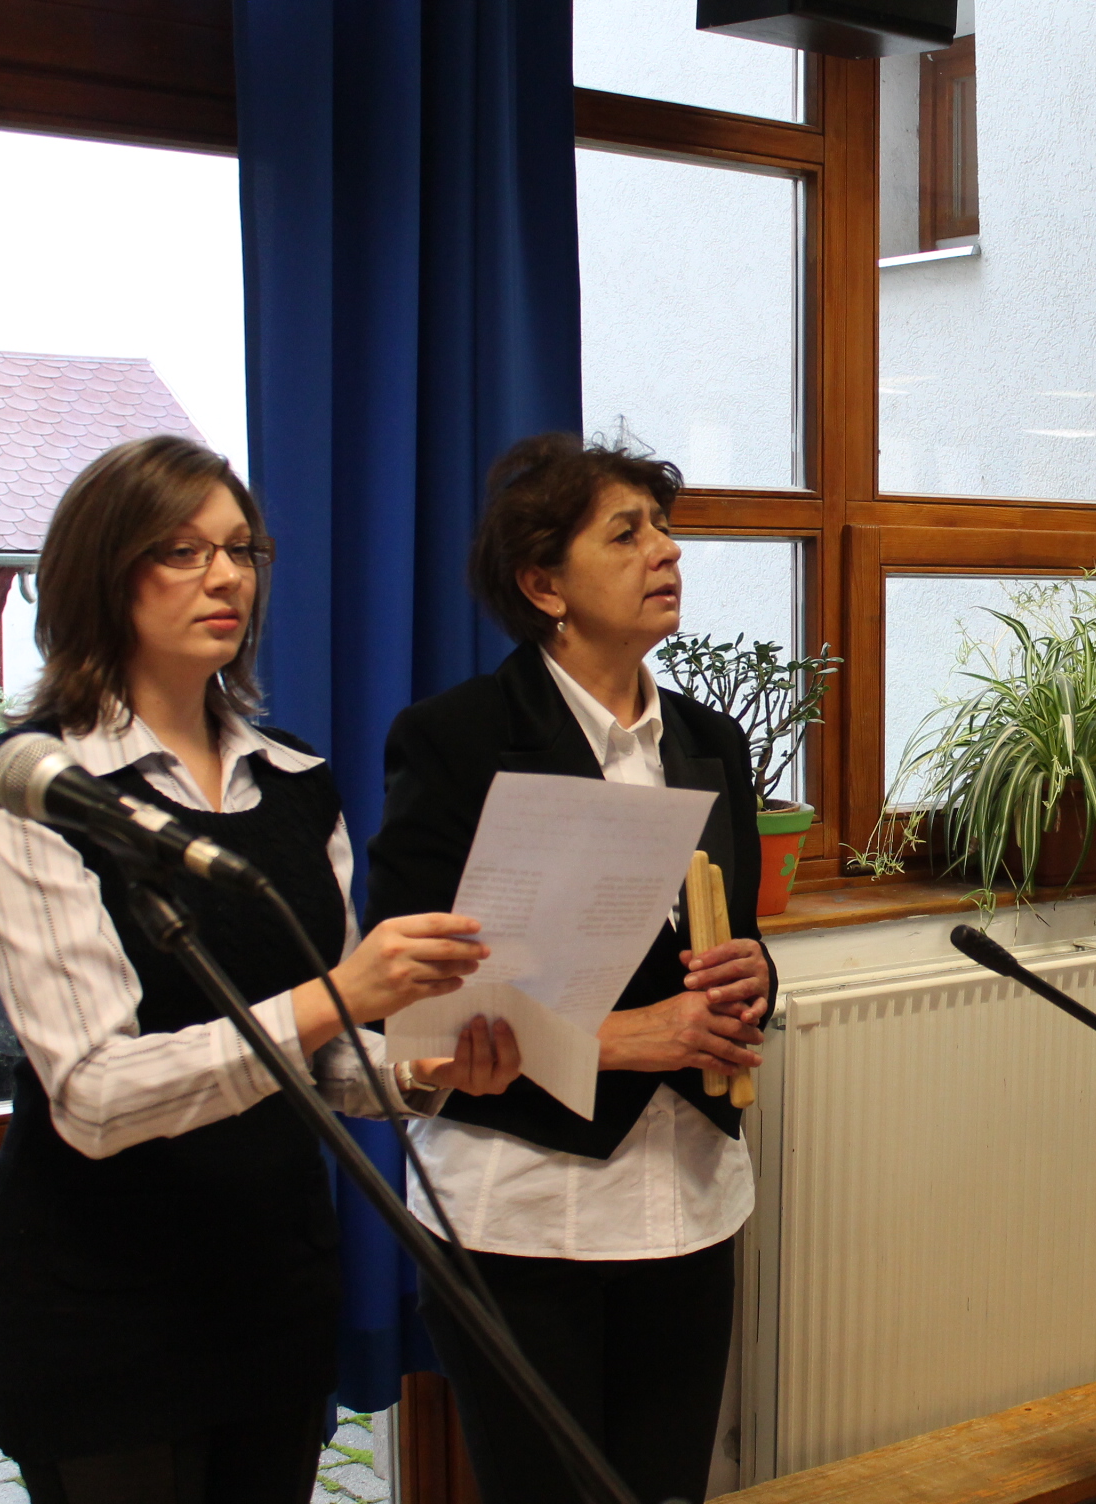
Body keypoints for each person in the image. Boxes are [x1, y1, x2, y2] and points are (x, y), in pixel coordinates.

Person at [0, 435, 522, 1504]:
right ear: (101, 573)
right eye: (182, 551)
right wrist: (337, 997)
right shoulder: (36, 793)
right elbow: (96, 1099)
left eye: (240, 549)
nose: (225, 577)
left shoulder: (296, 783)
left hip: (271, 1286)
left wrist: (423, 1074)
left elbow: (325, 1059)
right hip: (101, 1306)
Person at [367, 432, 772, 1504]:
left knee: (666, 1488)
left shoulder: (710, 740)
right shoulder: (455, 739)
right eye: (626, 534)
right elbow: (410, 1005)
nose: (666, 551)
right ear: (543, 584)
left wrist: (754, 980)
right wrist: (626, 1039)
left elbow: (736, 934)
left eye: (665, 529)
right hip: (524, 1204)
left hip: (689, 1194)